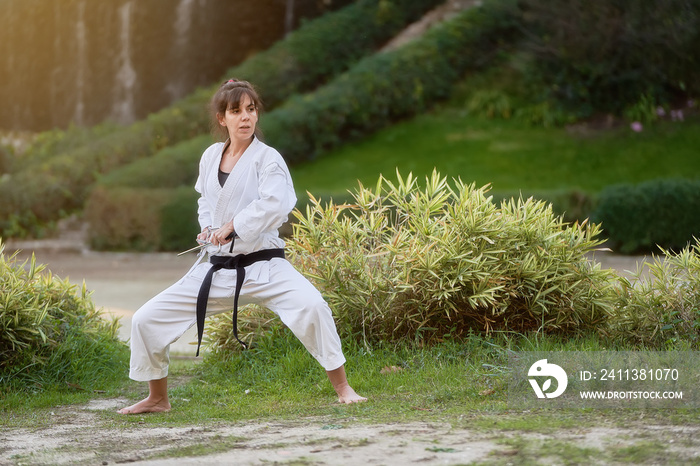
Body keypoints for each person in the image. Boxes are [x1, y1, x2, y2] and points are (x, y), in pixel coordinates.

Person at [118, 79, 366, 414]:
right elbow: (205, 201)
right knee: (145, 319)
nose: (246, 117)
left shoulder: (268, 159)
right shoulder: (210, 156)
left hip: (265, 265)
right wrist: (208, 229)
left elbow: (277, 204)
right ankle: (158, 398)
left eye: (251, 109)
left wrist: (234, 226)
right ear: (223, 118)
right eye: (237, 111)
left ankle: (343, 387)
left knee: (312, 307)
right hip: (217, 268)